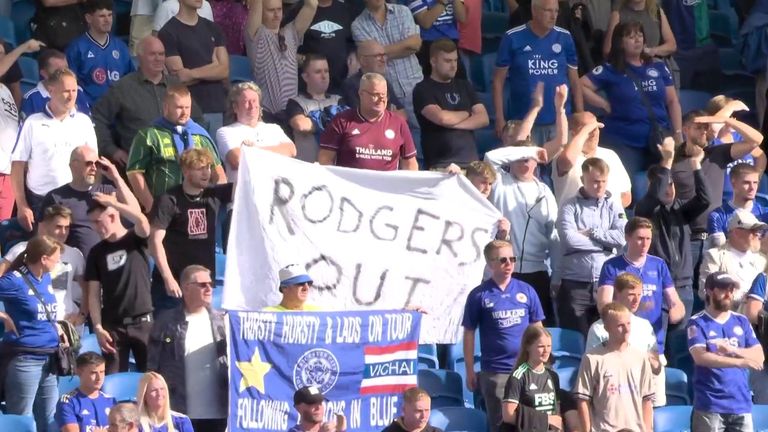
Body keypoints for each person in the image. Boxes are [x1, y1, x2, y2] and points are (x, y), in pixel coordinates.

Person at [581, 21, 682, 201]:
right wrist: (603, 104)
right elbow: (581, 85)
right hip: (624, 141)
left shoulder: (657, 66)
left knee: (670, 186)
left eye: (639, 35)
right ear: (620, 42)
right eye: (630, 36)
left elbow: (673, 101)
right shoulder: (610, 69)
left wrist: (678, 133)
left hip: (658, 137)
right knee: (629, 191)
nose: (637, 39)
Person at [672, 109, 761, 308]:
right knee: (687, 299)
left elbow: (756, 139)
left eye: (707, 127)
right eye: (698, 127)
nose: (704, 131)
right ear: (686, 129)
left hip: (715, 237)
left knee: (715, 298)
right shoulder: (675, 159)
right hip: (685, 238)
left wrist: (723, 120)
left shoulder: (717, 153)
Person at [596, 217, 684, 406]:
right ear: (627, 237)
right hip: (623, 347)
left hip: (653, 348)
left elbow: (675, 301)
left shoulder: (659, 265)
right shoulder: (612, 266)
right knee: (624, 405)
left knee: (654, 404)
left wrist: (676, 311)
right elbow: (604, 304)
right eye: (639, 238)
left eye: (648, 239)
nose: (644, 244)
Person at [461, 239, 545, 432]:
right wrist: (469, 370)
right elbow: (469, 333)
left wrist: (541, 362)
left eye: (512, 259)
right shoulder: (479, 295)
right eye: (503, 260)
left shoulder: (527, 290)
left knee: (532, 423)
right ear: (490, 264)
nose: (509, 264)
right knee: (501, 425)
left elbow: (538, 329)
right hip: (496, 371)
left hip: (526, 369)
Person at [92, 35, 203, 167]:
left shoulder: (176, 85)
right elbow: (98, 118)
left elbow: (197, 119)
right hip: (139, 165)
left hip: (178, 165)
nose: (158, 59)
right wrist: (112, 150)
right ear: (140, 57)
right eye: (152, 54)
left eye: (161, 54)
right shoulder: (122, 88)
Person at [635, 136, 710, 330]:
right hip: (655, 286)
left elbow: (705, 199)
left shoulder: (681, 209)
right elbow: (656, 196)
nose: (669, 188)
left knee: (679, 346)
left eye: (672, 183)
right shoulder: (645, 208)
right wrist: (667, 161)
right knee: (655, 343)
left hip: (684, 287)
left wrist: (696, 166)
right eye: (664, 183)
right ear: (652, 185)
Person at [86, 159, 152, 374]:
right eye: (93, 223)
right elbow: (94, 294)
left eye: (99, 222)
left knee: (151, 381)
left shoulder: (135, 239)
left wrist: (115, 179)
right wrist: (97, 327)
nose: (96, 228)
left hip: (143, 322)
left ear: (113, 216)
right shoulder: (97, 252)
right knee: (112, 382)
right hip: (113, 326)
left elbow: (141, 219)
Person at [11, 67, 98, 231]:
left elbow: (95, 164)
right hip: (41, 201)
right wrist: (22, 205)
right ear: (51, 90)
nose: (71, 96)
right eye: (66, 91)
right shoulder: (32, 122)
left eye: (74, 90)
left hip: (77, 199)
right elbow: (17, 165)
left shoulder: (84, 122)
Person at [484, 142, 558, 327]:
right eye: (519, 158)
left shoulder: (544, 191)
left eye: (529, 159)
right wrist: (530, 151)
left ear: (536, 163)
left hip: (537, 272)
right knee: (506, 327)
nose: (524, 161)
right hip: (505, 270)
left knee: (540, 331)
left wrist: (556, 274)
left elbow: (554, 236)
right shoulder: (500, 182)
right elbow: (490, 158)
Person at [149, 148, 232, 312]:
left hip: (202, 285)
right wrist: (168, 278)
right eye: (200, 168)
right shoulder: (168, 199)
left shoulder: (213, 194)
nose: (206, 173)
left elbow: (247, 184)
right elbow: (154, 241)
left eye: (208, 167)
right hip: (174, 286)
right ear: (186, 171)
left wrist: (250, 154)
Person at [148, 265, 227, 432]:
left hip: (218, 414)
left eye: (210, 284)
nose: (209, 288)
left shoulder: (223, 322)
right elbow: (153, 367)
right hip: (179, 413)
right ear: (186, 288)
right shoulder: (166, 322)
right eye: (202, 284)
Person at [492, 0, 583, 144]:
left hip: (560, 120)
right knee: (527, 166)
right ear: (534, 11)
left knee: (561, 165)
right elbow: (498, 81)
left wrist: (580, 115)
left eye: (556, 11)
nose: (553, 16)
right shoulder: (512, 37)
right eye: (548, 11)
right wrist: (499, 117)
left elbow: (575, 81)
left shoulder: (565, 37)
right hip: (524, 120)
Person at [126, 84, 226, 213]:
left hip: (198, 210)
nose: (184, 112)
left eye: (187, 107)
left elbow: (218, 172)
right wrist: (151, 207)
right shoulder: (149, 135)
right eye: (179, 107)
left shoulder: (200, 135)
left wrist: (214, 204)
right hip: (164, 210)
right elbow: (134, 172)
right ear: (166, 107)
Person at [556, 157, 627, 337]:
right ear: (583, 180)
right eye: (595, 181)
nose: (600, 186)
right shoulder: (569, 205)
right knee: (574, 339)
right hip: (575, 283)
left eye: (603, 181)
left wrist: (593, 233)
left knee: (607, 337)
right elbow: (569, 239)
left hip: (607, 283)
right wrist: (604, 246)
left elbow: (621, 239)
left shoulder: (614, 206)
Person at [0, 236, 64, 432]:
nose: (58, 262)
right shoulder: (14, 280)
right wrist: (3, 316)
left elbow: (44, 311)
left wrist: (57, 327)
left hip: (50, 359)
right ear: (44, 259)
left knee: (49, 418)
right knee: (21, 419)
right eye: (56, 258)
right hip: (25, 359)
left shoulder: (44, 277)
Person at [688, 271, 764, 431]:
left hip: (741, 404)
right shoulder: (697, 322)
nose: (728, 294)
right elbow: (701, 357)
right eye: (723, 289)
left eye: (731, 289)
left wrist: (731, 349)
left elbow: (759, 355)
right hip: (710, 405)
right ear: (709, 290)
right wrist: (741, 362)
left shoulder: (741, 321)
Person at [574, 302, 655, 432]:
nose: (627, 329)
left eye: (628, 324)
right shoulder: (592, 358)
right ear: (607, 328)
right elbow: (583, 400)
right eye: (620, 325)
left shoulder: (640, 357)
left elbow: (647, 400)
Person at [0, 205, 87, 327]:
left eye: (67, 228)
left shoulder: (75, 254)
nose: (63, 232)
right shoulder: (22, 248)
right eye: (58, 227)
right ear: (45, 225)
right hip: (31, 326)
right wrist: (5, 316)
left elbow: (88, 289)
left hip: (66, 324)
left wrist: (81, 316)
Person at [585, 272, 662, 407]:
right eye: (631, 295)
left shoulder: (645, 326)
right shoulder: (599, 328)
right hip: (612, 397)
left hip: (642, 396)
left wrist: (652, 362)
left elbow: (656, 368)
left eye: (639, 295)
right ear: (617, 294)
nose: (636, 300)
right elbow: (592, 369)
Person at [412, 39, 488, 170]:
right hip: (441, 164)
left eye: (455, 60)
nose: (453, 65)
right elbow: (442, 118)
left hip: (471, 163)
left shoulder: (465, 85)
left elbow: (483, 118)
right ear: (433, 61)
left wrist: (452, 124)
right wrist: (467, 113)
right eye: (447, 61)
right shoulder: (422, 89)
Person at [318, 73, 418, 171]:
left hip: (385, 186)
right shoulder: (342, 121)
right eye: (375, 95)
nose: (381, 99)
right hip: (350, 185)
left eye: (384, 95)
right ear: (361, 93)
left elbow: (410, 165)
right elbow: (325, 160)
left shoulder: (398, 123)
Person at [158, 0, 230, 133]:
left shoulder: (213, 28)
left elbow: (224, 70)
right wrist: (214, 68)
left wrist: (191, 73)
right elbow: (180, 77)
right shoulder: (168, 32)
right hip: (189, 110)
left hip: (217, 107)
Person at [351, 0, 423, 124]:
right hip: (388, 92)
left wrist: (378, 52)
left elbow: (415, 44)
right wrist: (404, 46)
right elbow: (370, 58)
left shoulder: (403, 12)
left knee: (423, 133)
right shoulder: (358, 25)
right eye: (379, 54)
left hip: (415, 86)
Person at [245, 0, 317, 125]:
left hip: (292, 115)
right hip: (267, 116)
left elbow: (312, 4)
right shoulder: (256, 34)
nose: (277, 14)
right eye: (271, 10)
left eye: (279, 9)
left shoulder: (291, 33)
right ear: (261, 12)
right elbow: (256, 3)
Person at [41, 146, 117, 261]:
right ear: (74, 165)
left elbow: (136, 212)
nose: (94, 168)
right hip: (74, 266)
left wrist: (116, 177)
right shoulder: (55, 197)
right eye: (89, 164)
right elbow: (42, 236)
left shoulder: (108, 192)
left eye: (97, 164)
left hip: (109, 262)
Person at [215, 82, 297, 182]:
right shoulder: (225, 132)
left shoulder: (274, 128)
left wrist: (252, 151)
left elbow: (291, 150)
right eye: (246, 101)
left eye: (254, 101)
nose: (252, 105)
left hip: (275, 193)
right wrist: (276, 153)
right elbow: (237, 159)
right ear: (235, 107)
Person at [501, 325, 573, 432]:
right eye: (541, 346)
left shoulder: (553, 376)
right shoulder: (519, 376)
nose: (546, 350)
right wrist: (546, 420)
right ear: (528, 347)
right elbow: (508, 415)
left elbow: (555, 410)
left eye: (549, 346)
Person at [552, 111, 632, 208]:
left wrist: (604, 212)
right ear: (574, 134)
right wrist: (586, 130)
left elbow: (626, 196)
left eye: (596, 128)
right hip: (574, 220)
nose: (594, 133)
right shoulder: (563, 155)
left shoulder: (610, 155)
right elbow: (567, 161)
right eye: (589, 130)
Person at [65, 0, 135, 103]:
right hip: (90, 110)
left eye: (110, 15)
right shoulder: (76, 48)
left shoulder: (121, 47)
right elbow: (70, 83)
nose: (107, 20)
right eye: (102, 16)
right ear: (89, 18)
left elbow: (130, 79)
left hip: (119, 109)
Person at [699, 209, 767, 310]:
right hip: (727, 319)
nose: (757, 234)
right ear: (736, 232)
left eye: (758, 231)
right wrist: (741, 298)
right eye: (752, 230)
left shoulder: (763, 260)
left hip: (758, 321)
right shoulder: (715, 256)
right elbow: (704, 292)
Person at [282, 0, 353, 92]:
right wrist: (302, 59)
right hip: (308, 89)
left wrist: (353, 54)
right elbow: (285, 46)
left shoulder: (345, 9)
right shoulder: (299, 10)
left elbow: (351, 41)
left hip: (340, 85)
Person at [286, 54, 347, 162]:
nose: (324, 76)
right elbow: (301, 125)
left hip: (337, 168)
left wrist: (315, 122)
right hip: (308, 168)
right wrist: (333, 121)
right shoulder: (296, 102)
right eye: (318, 72)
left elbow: (349, 126)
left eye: (326, 71)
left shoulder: (338, 100)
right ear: (305, 77)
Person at [603, 0, 679, 86]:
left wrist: (652, 51)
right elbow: (607, 51)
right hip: (628, 70)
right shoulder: (617, 15)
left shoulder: (657, 12)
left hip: (656, 68)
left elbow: (672, 45)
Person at [706, 96, 766, 203]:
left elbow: (761, 156)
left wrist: (755, 178)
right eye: (730, 115)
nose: (733, 119)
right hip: (722, 201)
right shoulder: (710, 141)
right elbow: (713, 126)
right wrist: (731, 106)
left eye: (735, 115)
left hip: (746, 201)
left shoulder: (740, 137)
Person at [20, 49, 92, 120]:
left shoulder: (77, 91)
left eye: (66, 70)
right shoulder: (31, 98)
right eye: (58, 72)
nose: (64, 75)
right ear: (44, 73)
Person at [707, 163, 767, 247]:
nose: (752, 188)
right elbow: (720, 252)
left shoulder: (765, 214)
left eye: (755, 183)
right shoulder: (717, 216)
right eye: (746, 183)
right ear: (733, 183)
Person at [340, 40, 406, 117]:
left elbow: (403, 114)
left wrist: (385, 115)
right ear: (363, 60)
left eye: (384, 55)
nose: (383, 60)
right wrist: (390, 115)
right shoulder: (351, 85)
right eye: (378, 56)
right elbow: (363, 117)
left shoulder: (384, 82)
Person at [55, 352, 117, 432]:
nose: (99, 378)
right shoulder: (68, 402)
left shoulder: (111, 401)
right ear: (79, 372)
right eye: (93, 373)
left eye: (102, 372)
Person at [409, 0, 467, 79]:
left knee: (460, 82)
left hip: (451, 42)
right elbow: (425, 22)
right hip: (428, 44)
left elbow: (462, 17)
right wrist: (444, 2)